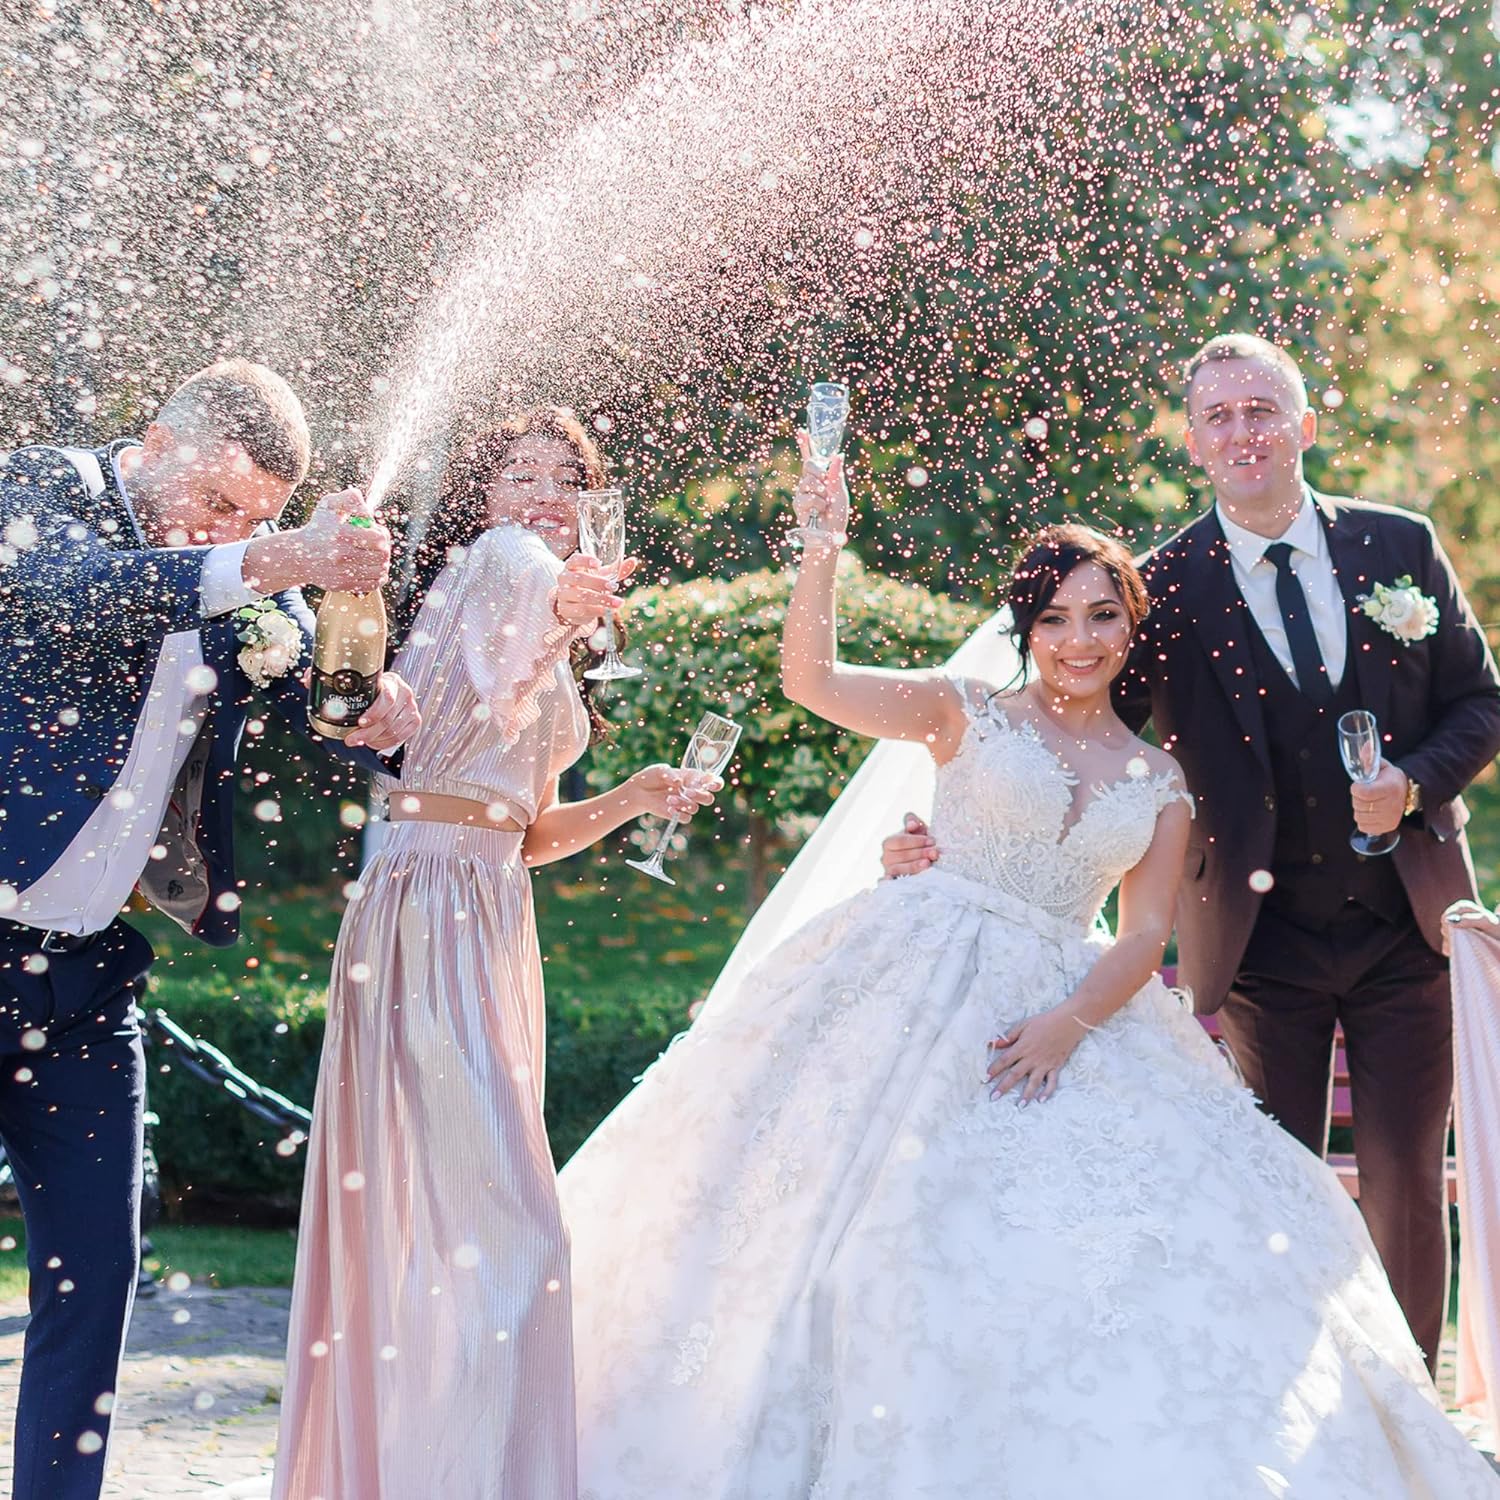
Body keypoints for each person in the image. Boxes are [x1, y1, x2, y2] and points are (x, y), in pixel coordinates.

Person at [556, 451, 1499, 1494]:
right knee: (860, 1220)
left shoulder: (1158, 781)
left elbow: (1144, 937)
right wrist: (823, 546)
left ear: (1132, 630)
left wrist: (1064, 1028)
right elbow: (811, 683)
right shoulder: (966, 712)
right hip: (911, 975)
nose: (1078, 641)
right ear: (1025, 628)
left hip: (1070, 1000)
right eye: (1054, 618)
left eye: (1101, 617)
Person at [883, 333, 1500, 1371]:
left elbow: (1480, 703)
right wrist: (956, 838)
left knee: (1403, 1176)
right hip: (1257, 940)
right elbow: (1071, 729)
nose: (1242, 432)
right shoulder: (1158, 591)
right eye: (1219, 417)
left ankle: (1404, 1416)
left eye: (1261, 411)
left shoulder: (1402, 547)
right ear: (1193, 444)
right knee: (1275, 1177)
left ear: (1304, 427)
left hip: (1409, 922)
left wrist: (1416, 782)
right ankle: (1292, 1397)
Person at [271, 409, 722, 1500]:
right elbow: (516, 633)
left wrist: (631, 797)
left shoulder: (524, 606)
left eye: (565, 477)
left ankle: (432, 1465)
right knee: (507, 1232)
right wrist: (565, 606)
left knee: (454, 1221)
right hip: (430, 909)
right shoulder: (504, 565)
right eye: (520, 473)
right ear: (486, 495)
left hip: (485, 904)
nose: (542, 494)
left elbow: (524, 829)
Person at [0, 359, 420, 1500]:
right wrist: (272, 554)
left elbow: (316, 691)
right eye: (219, 501)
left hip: (90, 989)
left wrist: (373, 714)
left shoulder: (246, 575)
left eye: (255, 515)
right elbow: (74, 595)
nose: (228, 529)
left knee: (98, 1275)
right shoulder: (36, 487)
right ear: (153, 442)